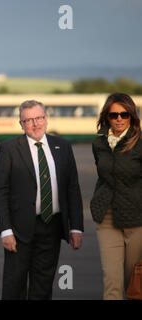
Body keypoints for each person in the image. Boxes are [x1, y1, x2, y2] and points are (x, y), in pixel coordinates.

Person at [0, 100, 83, 300]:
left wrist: (76, 227)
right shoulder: (9, 149)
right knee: (14, 286)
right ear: (21, 124)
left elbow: (72, 189)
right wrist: (5, 230)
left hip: (51, 226)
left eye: (39, 118)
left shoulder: (63, 146)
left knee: (42, 286)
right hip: (18, 230)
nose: (35, 124)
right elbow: (1, 191)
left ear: (46, 119)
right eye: (29, 120)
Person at [90, 92, 142, 300]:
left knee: (134, 282)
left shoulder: (140, 143)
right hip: (107, 217)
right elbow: (102, 177)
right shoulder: (99, 144)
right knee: (111, 279)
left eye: (124, 114)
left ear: (132, 116)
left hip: (136, 219)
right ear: (106, 117)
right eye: (114, 115)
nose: (119, 119)